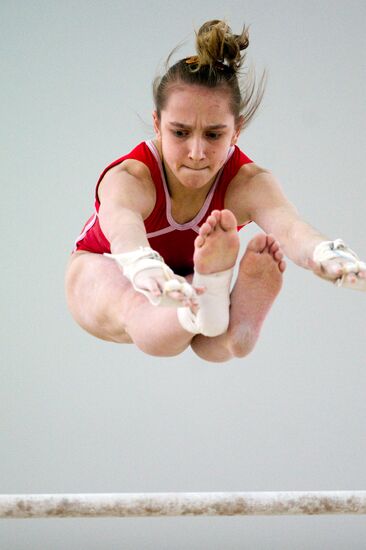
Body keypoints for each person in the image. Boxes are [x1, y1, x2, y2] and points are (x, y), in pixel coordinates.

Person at [65, 20, 366, 362]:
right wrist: (142, 266)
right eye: (179, 133)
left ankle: (235, 330)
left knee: (211, 337)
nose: (196, 152)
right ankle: (204, 301)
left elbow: (291, 229)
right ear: (156, 124)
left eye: (213, 135)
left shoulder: (249, 184)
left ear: (236, 131)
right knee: (141, 308)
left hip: (187, 280)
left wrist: (327, 255)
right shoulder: (132, 177)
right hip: (105, 270)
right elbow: (122, 228)